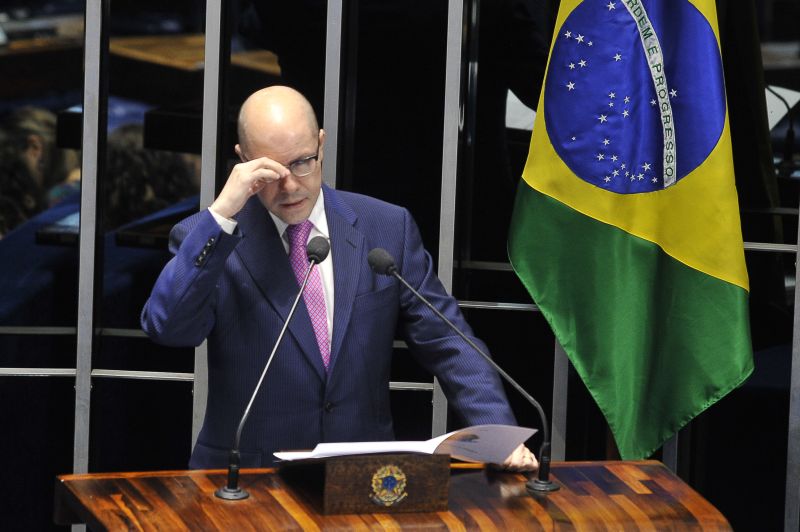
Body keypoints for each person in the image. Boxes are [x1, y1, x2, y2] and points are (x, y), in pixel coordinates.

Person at [141, 86, 537, 471]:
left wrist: (499, 436)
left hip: (362, 477)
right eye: (270, 172)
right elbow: (168, 328)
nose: (290, 186)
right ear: (242, 161)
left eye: (302, 162)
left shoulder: (386, 227)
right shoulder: (211, 236)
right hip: (251, 480)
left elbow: (448, 340)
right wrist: (223, 213)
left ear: (322, 144)